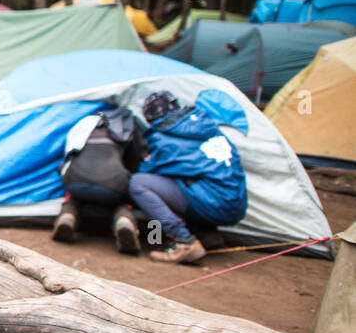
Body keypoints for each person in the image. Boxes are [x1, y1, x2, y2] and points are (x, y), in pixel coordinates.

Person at [128, 90, 248, 264]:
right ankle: (208, 234)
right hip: (236, 205)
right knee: (191, 180)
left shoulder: (164, 136)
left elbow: (148, 169)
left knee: (139, 183)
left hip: (212, 204)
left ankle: (184, 242)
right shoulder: (206, 125)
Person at [52, 106, 145, 253]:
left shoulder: (83, 126)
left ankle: (67, 217)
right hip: (111, 186)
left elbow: (67, 156)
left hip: (75, 182)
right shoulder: (126, 128)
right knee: (121, 202)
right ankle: (124, 221)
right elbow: (134, 164)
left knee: (74, 199)